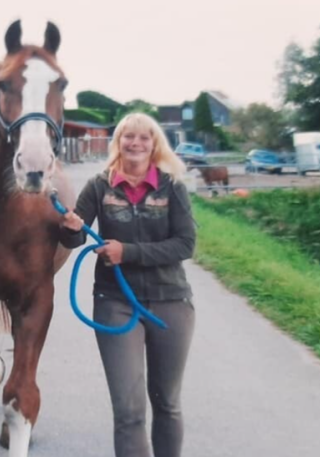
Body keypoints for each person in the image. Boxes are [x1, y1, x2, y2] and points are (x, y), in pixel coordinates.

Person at [59, 112, 196, 457]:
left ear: (155, 144)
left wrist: (128, 252)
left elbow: (185, 244)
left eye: (144, 137)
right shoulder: (99, 186)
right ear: (118, 143)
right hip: (115, 302)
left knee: (167, 402)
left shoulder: (172, 186)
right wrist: (71, 226)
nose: (135, 143)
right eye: (127, 137)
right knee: (129, 410)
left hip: (171, 303)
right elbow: (73, 238)